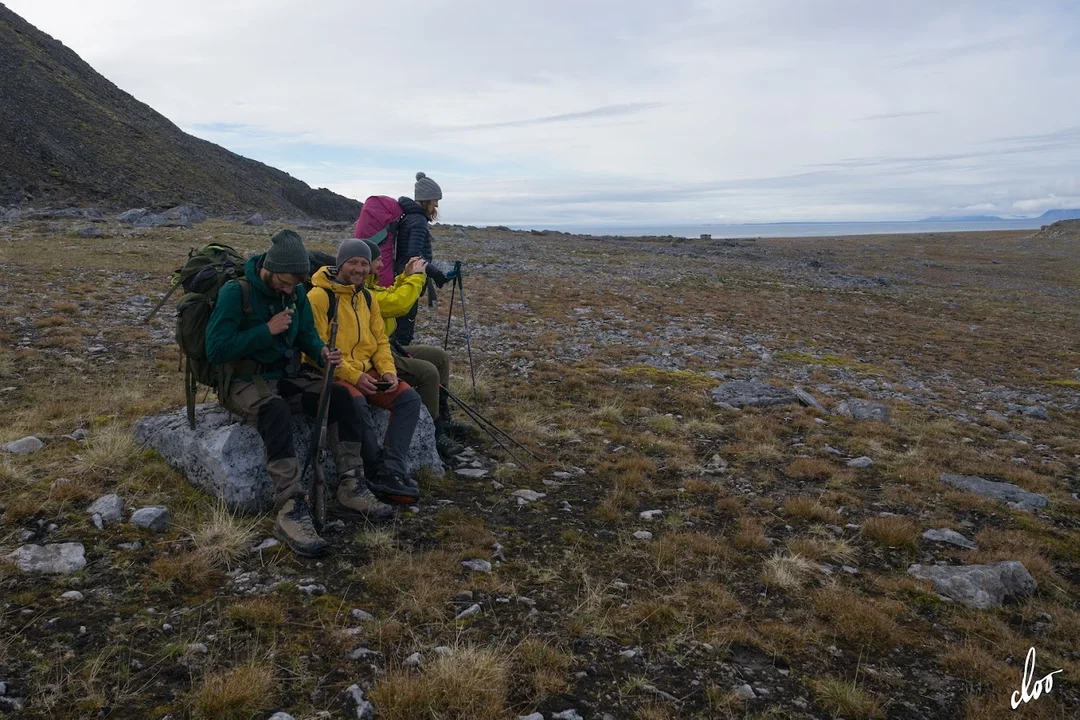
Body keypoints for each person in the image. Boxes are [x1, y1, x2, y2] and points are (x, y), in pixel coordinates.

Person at [205, 229, 392, 558]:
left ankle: (351, 484)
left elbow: (306, 334)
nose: (293, 288)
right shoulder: (236, 293)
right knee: (274, 410)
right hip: (242, 380)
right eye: (288, 281)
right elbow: (216, 349)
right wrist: (266, 330)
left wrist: (321, 352)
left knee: (340, 396)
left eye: (297, 282)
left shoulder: (294, 294)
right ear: (271, 268)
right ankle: (291, 508)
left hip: (285, 375)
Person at [306, 238, 423, 503]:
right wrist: (354, 376)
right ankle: (374, 468)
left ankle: (392, 469)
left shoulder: (367, 298)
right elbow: (317, 349)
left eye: (363, 263)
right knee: (354, 401)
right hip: (333, 372)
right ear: (340, 264)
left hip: (367, 370)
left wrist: (388, 371)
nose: (359, 269)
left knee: (408, 399)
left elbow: (380, 341)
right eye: (352, 263)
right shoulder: (319, 297)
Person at [359, 236, 471, 460]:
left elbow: (390, 294)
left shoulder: (370, 286)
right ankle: (433, 433)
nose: (382, 265)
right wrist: (418, 277)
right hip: (375, 353)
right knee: (428, 372)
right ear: (365, 263)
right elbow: (397, 304)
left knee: (439, 357)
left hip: (388, 345)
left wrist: (405, 276)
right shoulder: (363, 293)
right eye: (377, 261)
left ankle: (443, 416)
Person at [390, 171, 450, 346]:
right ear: (426, 199)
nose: (436, 204)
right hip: (408, 277)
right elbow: (413, 254)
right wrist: (436, 274)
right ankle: (399, 367)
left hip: (401, 275)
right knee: (404, 331)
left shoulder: (409, 217)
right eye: (435, 200)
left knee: (399, 324)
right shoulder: (418, 220)